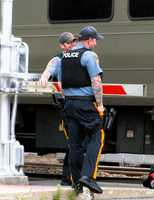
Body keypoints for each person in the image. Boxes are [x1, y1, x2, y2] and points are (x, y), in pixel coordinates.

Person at [62, 25, 105, 194]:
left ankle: (76, 183)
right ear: (90, 40)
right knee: (96, 135)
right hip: (84, 104)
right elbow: (96, 83)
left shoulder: (65, 56)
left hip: (69, 104)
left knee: (75, 145)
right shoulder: (88, 56)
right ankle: (88, 177)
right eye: (95, 40)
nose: (95, 43)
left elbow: (61, 82)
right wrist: (100, 104)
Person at [39, 31, 76, 186]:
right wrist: (44, 78)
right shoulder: (58, 59)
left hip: (78, 103)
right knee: (74, 142)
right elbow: (47, 72)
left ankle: (70, 178)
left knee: (77, 142)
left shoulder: (80, 57)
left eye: (73, 42)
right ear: (62, 45)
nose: (72, 45)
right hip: (67, 105)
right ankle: (67, 179)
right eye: (68, 43)